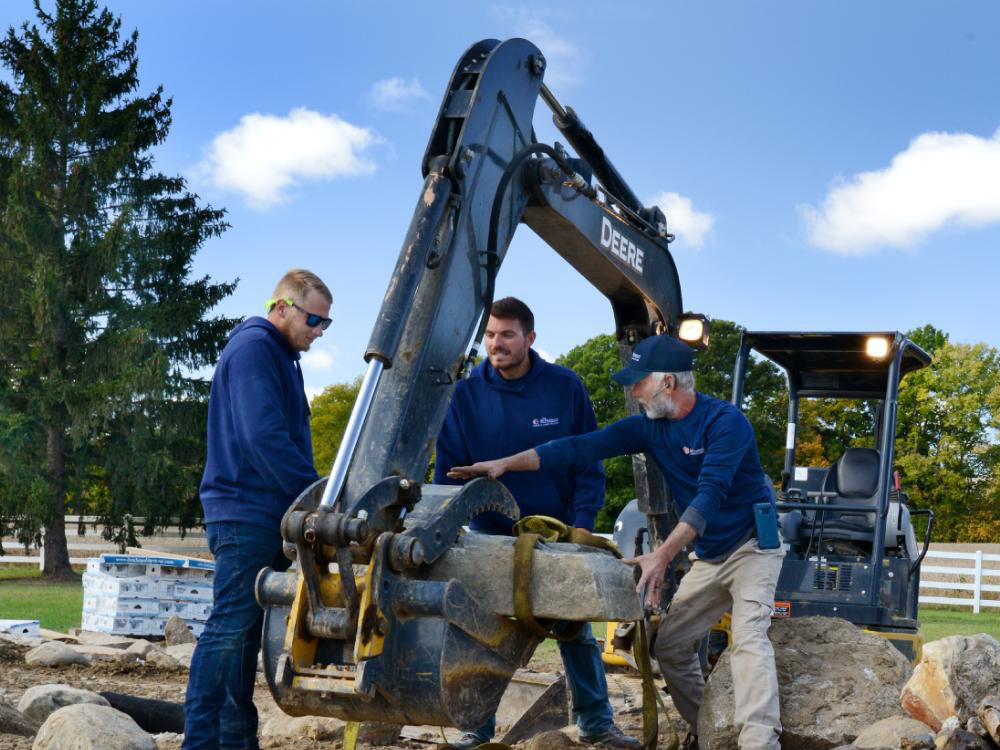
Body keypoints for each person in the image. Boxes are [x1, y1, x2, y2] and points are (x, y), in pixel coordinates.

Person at [448, 334, 784, 750]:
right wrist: (505, 464)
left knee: (750, 638)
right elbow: (578, 447)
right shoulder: (649, 427)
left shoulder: (725, 423)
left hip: (753, 548)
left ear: (668, 384)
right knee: (673, 647)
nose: (634, 391)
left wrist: (663, 554)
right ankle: (711, 730)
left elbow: (708, 497)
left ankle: (759, 743)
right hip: (711, 555)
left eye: (639, 382)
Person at [435, 297, 640, 750]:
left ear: (530, 337)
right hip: (488, 534)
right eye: (490, 335)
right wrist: (446, 530)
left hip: (557, 533)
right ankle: (478, 729)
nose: (496, 343)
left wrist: (581, 529)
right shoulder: (465, 395)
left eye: (506, 335)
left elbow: (589, 462)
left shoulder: (565, 387)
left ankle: (597, 725)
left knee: (574, 631)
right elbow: (447, 472)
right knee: (481, 632)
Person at [183, 269, 333, 750]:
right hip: (244, 512)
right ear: (282, 307)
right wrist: (315, 497)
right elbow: (262, 437)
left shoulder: (282, 357)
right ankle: (200, 742)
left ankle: (234, 741)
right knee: (229, 628)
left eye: (326, 324)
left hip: (261, 512)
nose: (319, 330)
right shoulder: (254, 349)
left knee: (244, 637)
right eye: (314, 319)